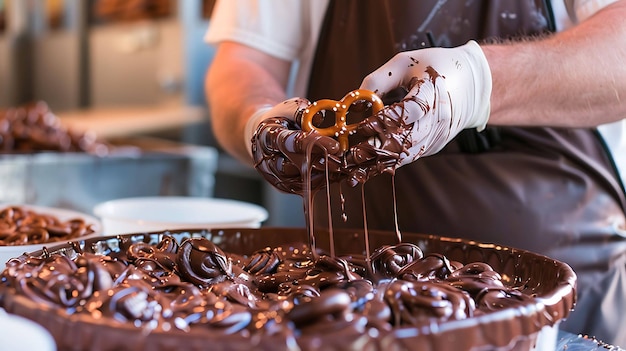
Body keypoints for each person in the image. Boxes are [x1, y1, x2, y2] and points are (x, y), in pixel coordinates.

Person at [204, 0, 626, 346]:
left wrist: (478, 83)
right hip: (343, 304)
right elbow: (243, 61)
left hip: (559, 315)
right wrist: (254, 117)